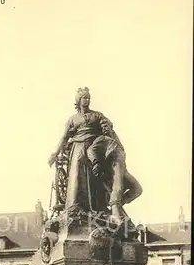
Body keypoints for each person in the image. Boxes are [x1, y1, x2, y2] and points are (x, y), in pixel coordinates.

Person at [48, 87, 142, 224]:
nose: (86, 100)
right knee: (77, 178)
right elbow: (64, 137)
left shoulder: (97, 115)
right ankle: (76, 208)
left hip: (96, 150)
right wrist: (55, 153)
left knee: (96, 180)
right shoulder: (72, 120)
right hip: (78, 149)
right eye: (84, 98)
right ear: (78, 101)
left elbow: (108, 131)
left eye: (88, 97)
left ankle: (102, 208)